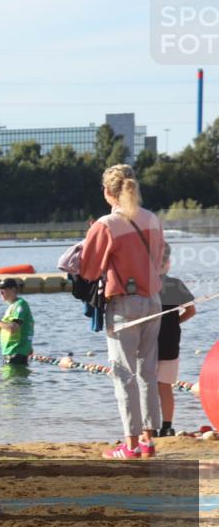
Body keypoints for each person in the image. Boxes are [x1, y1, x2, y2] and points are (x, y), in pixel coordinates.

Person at [79, 164, 165, 459]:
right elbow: (160, 260)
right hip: (154, 300)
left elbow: (88, 270)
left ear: (107, 192)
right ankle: (148, 441)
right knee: (147, 373)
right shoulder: (152, 219)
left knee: (123, 374)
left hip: (124, 304)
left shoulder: (105, 224)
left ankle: (129, 445)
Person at [157, 243, 196, 436]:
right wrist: (175, 323)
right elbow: (191, 311)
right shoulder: (176, 284)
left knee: (146, 385)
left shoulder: (144, 285)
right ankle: (167, 426)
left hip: (148, 342)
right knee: (165, 386)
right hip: (170, 341)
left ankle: (150, 426)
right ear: (168, 264)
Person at [0, 278, 34, 365]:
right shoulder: (11, 307)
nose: (0, 292)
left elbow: (12, 328)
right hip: (10, 353)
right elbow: (3, 330)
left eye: (3, 289)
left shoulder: (20, 305)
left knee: (11, 378)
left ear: (13, 289)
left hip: (16, 354)